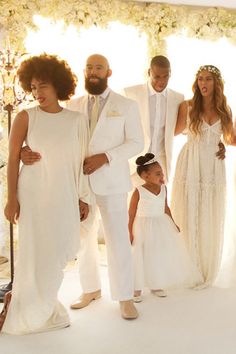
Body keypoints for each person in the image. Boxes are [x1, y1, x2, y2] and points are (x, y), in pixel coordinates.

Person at [21, 54, 144, 320]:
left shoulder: (126, 105)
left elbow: (137, 143)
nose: (93, 71)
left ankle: (124, 297)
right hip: (75, 182)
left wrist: (106, 157)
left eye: (98, 67)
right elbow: (51, 134)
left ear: (109, 72)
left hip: (111, 183)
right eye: (89, 67)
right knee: (83, 239)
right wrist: (24, 152)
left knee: (118, 240)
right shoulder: (72, 104)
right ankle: (90, 289)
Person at [1, 54, 91, 334]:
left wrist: (82, 196)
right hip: (34, 193)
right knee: (34, 253)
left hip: (64, 193)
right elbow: (14, 158)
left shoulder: (77, 120)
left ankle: (44, 301)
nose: (37, 93)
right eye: (33, 87)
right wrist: (11, 198)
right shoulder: (26, 117)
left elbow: (81, 160)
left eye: (43, 86)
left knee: (57, 254)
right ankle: (29, 307)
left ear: (58, 85)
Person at [171, 65, 236, 288]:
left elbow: (231, 139)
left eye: (208, 79)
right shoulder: (187, 106)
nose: (203, 83)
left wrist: (223, 145)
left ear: (216, 83)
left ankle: (205, 267)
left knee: (209, 212)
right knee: (189, 212)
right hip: (190, 163)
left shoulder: (224, 109)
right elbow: (173, 131)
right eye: (200, 79)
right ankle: (186, 266)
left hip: (213, 167)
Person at [128, 153, 202, 302]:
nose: (162, 175)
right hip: (142, 225)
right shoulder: (138, 191)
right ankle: (136, 288)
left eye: (161, 172)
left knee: (157, 254)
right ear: (145, 176)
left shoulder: (164, 189)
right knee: (139, 255)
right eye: (157, 174)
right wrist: (129, 231)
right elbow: (131, 213)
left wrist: (173, 223)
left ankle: (156, 283)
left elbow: (166, 207)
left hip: (160, 224)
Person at [124, 55, 184, 182]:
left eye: (165, 76)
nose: (161, 81)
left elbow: (187, 127)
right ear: (149, 72)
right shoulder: (130, 93)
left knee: (159, 201)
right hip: (135, 162)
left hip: (161, 163)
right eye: (157, 76)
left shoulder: (178, 98)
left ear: (170, 74)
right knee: (134, 201)